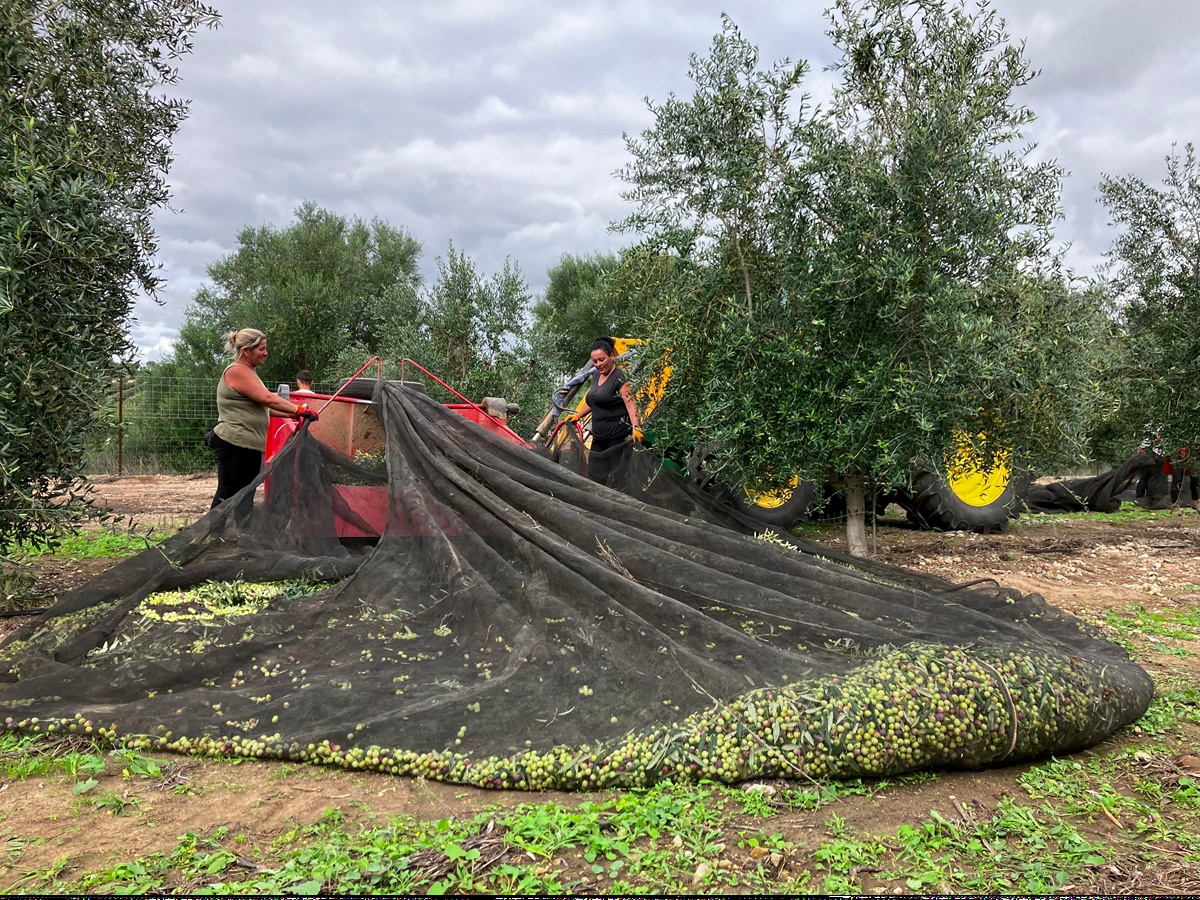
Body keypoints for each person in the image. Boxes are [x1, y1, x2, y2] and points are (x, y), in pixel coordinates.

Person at [207, 329, 318, 526]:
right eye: (262, 349)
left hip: (248, 444)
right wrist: (299, 409)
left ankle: (242, 535)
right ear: (247, 350)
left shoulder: (249, 372)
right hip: (235, 441)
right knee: (228, 491)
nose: (266, 353)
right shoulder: (237, 371)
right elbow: (268, 399)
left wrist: (296, 414)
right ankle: (214, 535)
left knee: (246, 492)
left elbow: (264, 409)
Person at [562, 337, 642, 484]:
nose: (598, 364)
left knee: (619, 479)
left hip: (617, 439)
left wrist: (636, 427)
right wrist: (577, 415)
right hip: (599, 437)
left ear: (612, 356)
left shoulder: (620, 378)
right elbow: (593, 401)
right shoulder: (596, 376)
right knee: (595, 476)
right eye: (595, 361)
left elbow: (631, 405)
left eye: (601, 359)